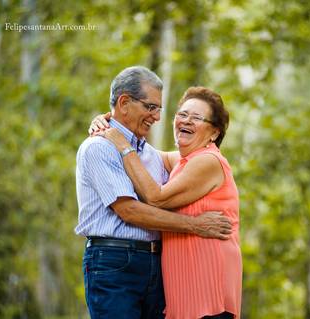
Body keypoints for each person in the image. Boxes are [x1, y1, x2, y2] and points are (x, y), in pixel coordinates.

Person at [75, 66, 232, 319]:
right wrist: (195, 225)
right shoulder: (99, 148)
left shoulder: (149, 154)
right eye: (150, 107)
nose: (157, 116)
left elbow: (188, 164)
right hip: (114, 261)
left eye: (159, 109)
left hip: (155, 264)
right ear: (124, 102)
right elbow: (129, 210)